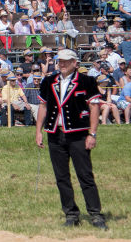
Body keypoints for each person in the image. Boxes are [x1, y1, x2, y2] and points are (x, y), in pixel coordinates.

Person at [35, 48, 107, 230]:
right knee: (61, 177)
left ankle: (95, 214)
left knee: (85, 175)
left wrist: (93, 133)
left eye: (67, 61)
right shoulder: (49, 81)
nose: (63, 64)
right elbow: (43, 106)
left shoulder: (86, 81)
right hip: (55, 133)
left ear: (75, 63)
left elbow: (94, 107)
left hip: (78, 134)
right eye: (60, 61)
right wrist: (38, 131)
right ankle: (71, 213)